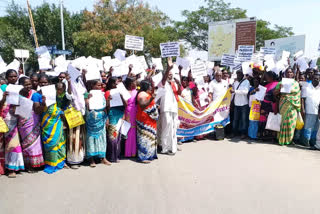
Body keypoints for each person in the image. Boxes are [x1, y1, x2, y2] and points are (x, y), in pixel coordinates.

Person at [39, 75, 67, 174]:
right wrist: (42, 102)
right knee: (50, 143)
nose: (43, 84)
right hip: (47, 122)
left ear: (49, 83)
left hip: (57, 121)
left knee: (59, 141)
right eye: (41, 82)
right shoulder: (38, 94)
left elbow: (65, 99)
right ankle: (51, 163)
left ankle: (60, 162)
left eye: (45, 82)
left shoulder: (56, 94)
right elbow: (38, 110)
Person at [0, 69, 24, 178]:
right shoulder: (2, 88)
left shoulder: (20, 88)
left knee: (13, 146)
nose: (13, 78)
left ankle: (11, 169)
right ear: (7, 77)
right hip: (3, 120)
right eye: (11, 76)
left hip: (15, 121)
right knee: (2, 146)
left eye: (15, 76)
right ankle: (2, 168)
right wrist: (4, 98)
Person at [17, 77, 44, 172]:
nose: (28, 86)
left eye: (29, 84)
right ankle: (28, 165)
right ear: (21, 85)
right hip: (22, 121)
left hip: (34, 120)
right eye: (26, 84)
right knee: (26, 143)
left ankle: (37, 163)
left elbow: (38, 106)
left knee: (36, 143)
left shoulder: (34, 93)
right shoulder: (17, 94)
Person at [85, 80, 111, 167]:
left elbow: (105, 107)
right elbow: (87, 107)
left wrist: (108, 100)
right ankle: (91, 159)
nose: (100, 87)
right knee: (91, 139)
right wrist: (88, 99)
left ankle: (103, 158)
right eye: (98, 85)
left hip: (101, 118)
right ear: (93, 86)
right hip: (91, 119)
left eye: (101, 85)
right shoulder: (87, 94)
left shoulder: (102, 94)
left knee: (102, 138)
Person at [274, 68, 301, 145]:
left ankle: (289, 140)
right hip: (283, 105)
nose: (289, 74)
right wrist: (280, 88)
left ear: (293, 74)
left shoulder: (296, 83)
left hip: (293, 106)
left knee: (291, 123)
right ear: (285, 74)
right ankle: (281, 139)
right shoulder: (281, 82)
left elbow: (298, 95)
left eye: (291, 72)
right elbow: (274, 93)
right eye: (287, 72)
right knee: (283, 122)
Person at [159, 59, 180, 155]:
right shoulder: (162, 83)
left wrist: (179, 84)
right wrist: (168, 68)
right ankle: (164, 148)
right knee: (166, 128)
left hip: (174, 108)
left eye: (171, 74)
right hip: (166, 108)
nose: (170, 75)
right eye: (169, 74)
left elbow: (179, 93)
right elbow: (164, 79)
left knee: (174, 127)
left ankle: (173, 147)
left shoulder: (174, 83)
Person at [136, 80, 159, 163]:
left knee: (150, 137)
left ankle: (150, 154)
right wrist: (152, 98)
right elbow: (142, 106)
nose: (150, 87)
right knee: (144, 137)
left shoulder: (147, 94)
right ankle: (143, 157)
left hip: (150, 119)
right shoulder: (141, 94)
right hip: (144, 119)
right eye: (149, 86)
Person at [105, 77, 125, 163]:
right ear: (112, 84)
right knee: (112, 136)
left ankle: (117, 155)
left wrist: (122, 96)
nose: (117, 85)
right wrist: (108, 100)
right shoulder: (108, 92)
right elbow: (106, 108)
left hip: (120, 114)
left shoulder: (122, 91)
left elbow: (126, 104)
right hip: (112, 115)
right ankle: (111, 156)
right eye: (116, 83)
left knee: (118, 137)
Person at [301, 72, 320, 148]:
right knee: (308, 126)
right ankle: (306, 141)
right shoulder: (307, 87)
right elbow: (302, 99)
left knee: (316, 127)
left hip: (318, 111)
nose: (316, 80)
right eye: (315, 78)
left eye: (318, 79)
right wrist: (303, 109)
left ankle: (313, 141)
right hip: (309, 110)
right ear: (312, 78)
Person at [231, 70, 251, 139]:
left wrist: (235, 91)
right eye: (237, 74)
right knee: (235, 119)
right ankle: (234, 132)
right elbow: (232, 92)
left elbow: (245, 92)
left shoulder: (246, 82)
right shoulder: (235, 82)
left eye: (240, 74)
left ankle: (243, 133)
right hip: (236, 103)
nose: (238, 75)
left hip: (244, 104)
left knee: (244, 120)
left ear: (243, 75)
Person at [259, 71, 278, 140]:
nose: (266, 78)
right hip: (264, 105)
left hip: (272, 105)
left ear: (271, 77)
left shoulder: (277, 84)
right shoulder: (266, 85)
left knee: (271, 120)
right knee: (263, 120)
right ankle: (264, 135)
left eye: (267, 76)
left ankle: (271, 136)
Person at [124, 77, 137, 158]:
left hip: (136, 110)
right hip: (129, 111)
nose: (135, 83)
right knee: (130, 131)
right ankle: (129, 151)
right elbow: (125, 103)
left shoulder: (136, 91)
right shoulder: (125, 92)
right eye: (134, 82)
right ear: (130, 83)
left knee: (134, 130)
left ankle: (134, 151)